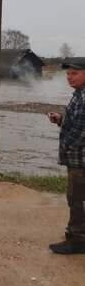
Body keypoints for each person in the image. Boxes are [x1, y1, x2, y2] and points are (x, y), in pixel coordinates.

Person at [48, 58, 85, 254]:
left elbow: (81, 132)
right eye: (68, 74)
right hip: (78, 157)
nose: (70, 78)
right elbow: (77, 122)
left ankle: (77, 239)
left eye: (75, 73)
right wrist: (61, 120)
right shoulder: (79, 94)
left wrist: (66, 146)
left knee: (76, 198)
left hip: (80, 159)